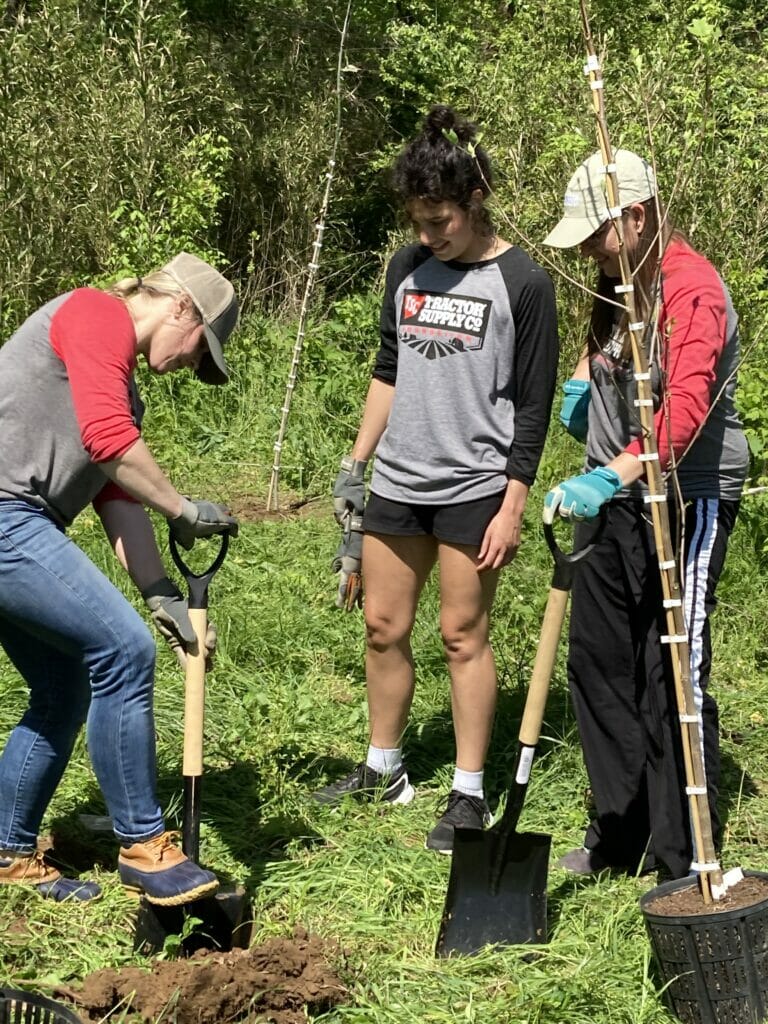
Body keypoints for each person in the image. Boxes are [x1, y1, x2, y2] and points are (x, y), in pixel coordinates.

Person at [314, 105, 559, 854]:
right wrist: (357, 467)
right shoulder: (405, 268)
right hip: (399, 480)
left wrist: (513, 500)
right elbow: (388, 369)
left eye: (442, 220)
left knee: (462, 635)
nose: (430, 235)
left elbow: (535, 400)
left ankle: (467, 791)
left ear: (474, 202)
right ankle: (383, 766)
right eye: (420, 222)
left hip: (475, 486)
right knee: (382, 627)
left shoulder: (523, 280)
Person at [0, 252, 240, 903]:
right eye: (201, 349)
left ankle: (10, 853)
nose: (194, 365)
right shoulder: (95, 314)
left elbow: (116, 497)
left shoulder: (122, 382)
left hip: (19, 523)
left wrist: (161, 593)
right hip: (6, 516)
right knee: (122, 651)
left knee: (62, 685)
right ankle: (144, 847)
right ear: (182, 308)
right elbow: (108, 442)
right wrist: (185, 509)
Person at [542, 150, 748, 879]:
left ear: (635, 217)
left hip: (683, 497)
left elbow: (685, 406)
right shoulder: (617, 282)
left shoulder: (690, 289)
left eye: (597, 234)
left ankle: (682, 853)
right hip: (615, 491)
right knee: (598, 664)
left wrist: (618, 472)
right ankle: (619, 830)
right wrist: (579, 398)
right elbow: (599, 359)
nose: (591, 250)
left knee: (673, 668)